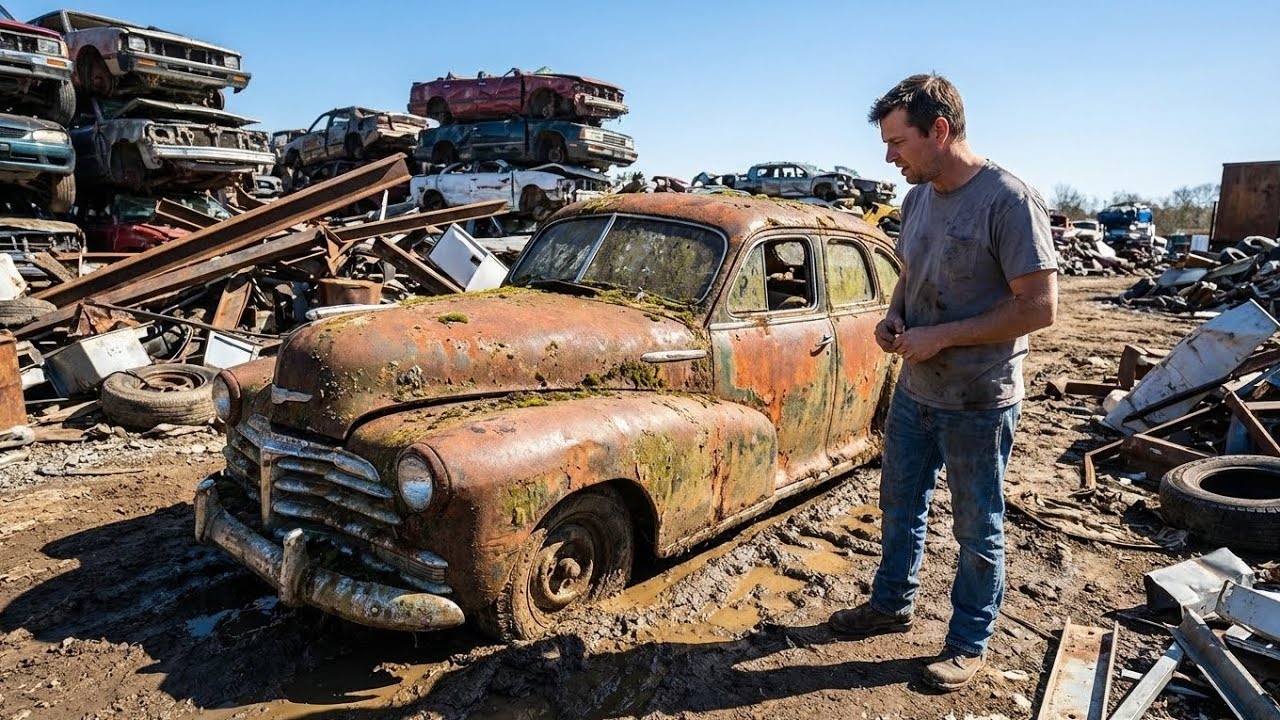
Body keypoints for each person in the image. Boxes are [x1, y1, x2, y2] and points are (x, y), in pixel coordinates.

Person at [826, 74, 1057, 691]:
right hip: (916, 390)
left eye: (898, 142)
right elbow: (912, 272)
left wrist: (944, 336)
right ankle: (889, 604)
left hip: (978, 399)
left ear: (940, 131)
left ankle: (967, 643)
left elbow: (1039, 307)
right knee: (900, 505)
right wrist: (896, 316)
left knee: (976, 526)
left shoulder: (1009, 201)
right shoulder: (917, 199)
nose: (888, 156)